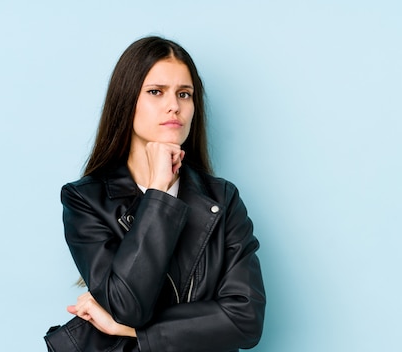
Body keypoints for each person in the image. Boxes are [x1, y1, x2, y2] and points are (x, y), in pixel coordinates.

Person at [59, 36, 265, 351]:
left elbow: (245, 320)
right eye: (156, 92)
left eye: (185, 94)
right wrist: (159, 192)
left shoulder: (222, 199)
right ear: (126, 101)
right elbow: (128, 305)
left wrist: (128, 330)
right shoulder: (86, 200)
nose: (174, 106)